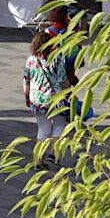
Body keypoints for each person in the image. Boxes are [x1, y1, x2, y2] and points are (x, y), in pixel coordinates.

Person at [23, 31, 69, 171]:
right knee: (60, 124)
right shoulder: (56, 59)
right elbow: (63, 81)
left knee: (43, 128)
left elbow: (26, 80)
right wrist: (70, 92)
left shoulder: (30, 59)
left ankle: (38, 161)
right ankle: (54, 154)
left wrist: (27, 97)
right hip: (54, 98)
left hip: (36, 99)